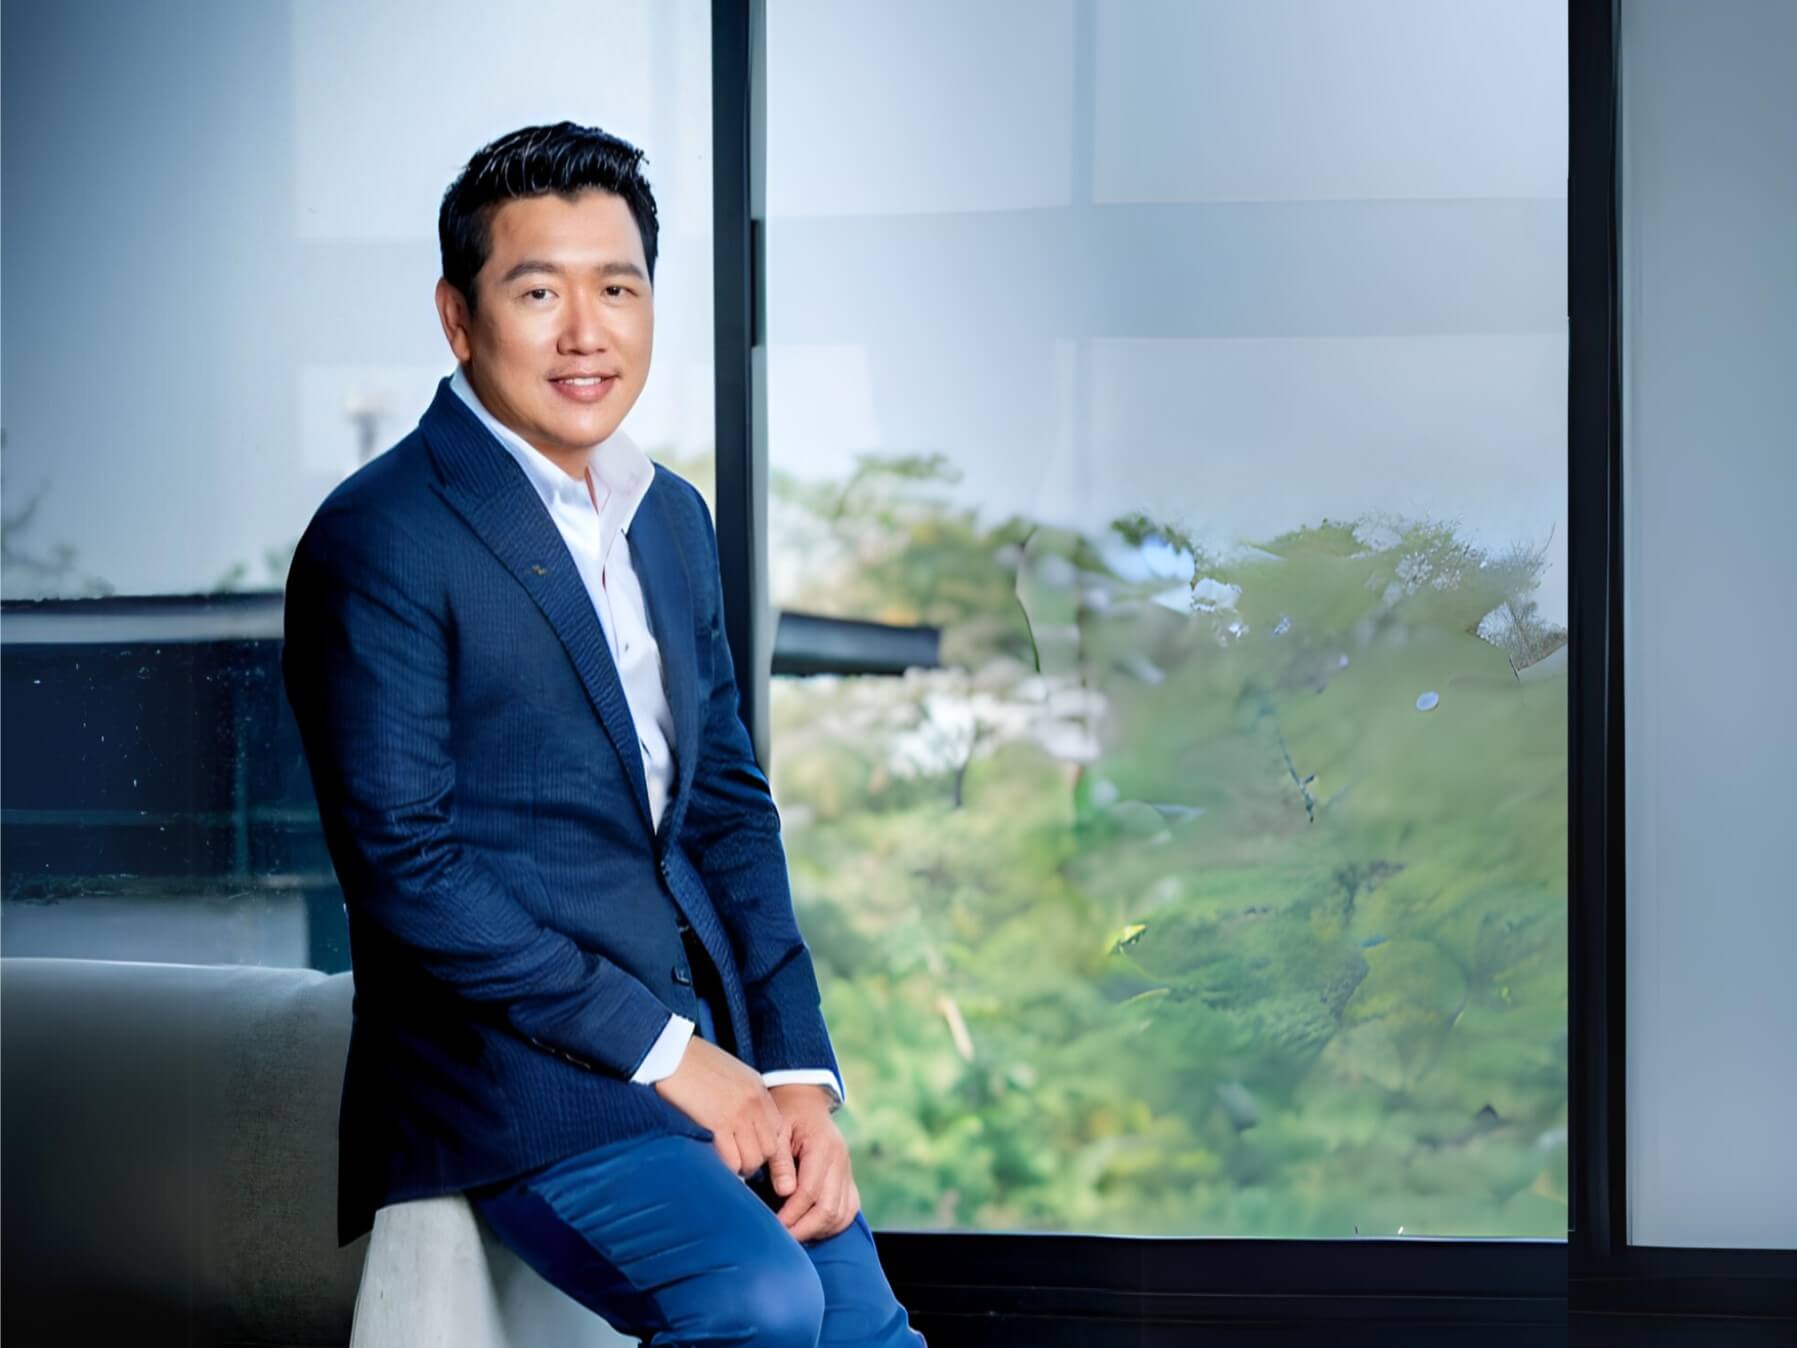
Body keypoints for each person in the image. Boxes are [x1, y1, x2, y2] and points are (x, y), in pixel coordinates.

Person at [281, 121, 924, 1347]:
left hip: (710, 1054)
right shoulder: (383, 534)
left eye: (618, 289)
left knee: (863, 1328)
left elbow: (727, 805)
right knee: (757, 1299)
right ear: (459, 318)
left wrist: (794, 1070)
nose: (587, 331)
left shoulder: (671, 517)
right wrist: (667, 1051)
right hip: (508, 1070)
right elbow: (406, 866)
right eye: (539, 292)